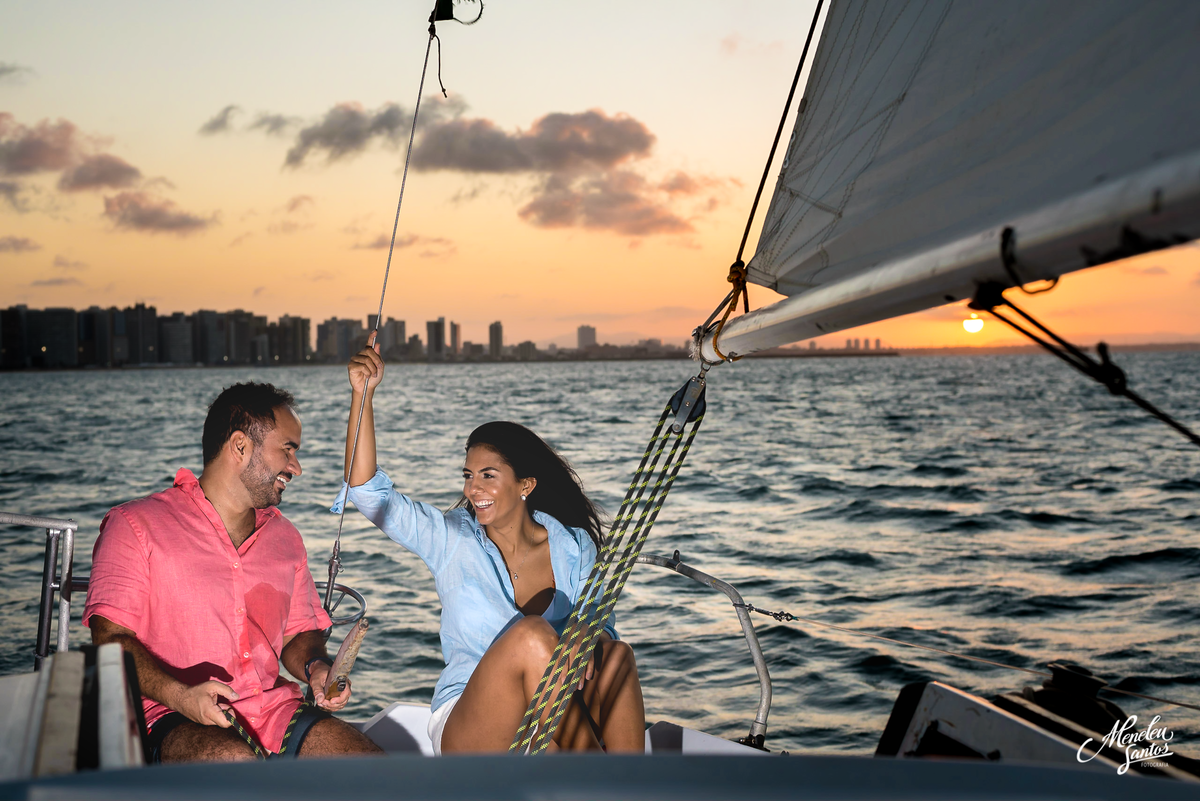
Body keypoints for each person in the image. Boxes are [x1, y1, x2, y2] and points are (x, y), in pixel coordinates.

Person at [332, 337, 645, 753]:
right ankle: (607, 784)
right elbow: (369, 493)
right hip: (472, 724)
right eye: (468, 475)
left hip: (550, 718)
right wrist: (362, 396)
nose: (472, 488)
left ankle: (629, 783)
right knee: (532, 635)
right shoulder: (451, 538)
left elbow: (602, 629)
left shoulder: (575, 546)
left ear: (526, 485)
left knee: (617, 655)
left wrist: (590, 638)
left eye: (488, 475)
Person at [85, 382, 383, 762]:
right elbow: (109, 639)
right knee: (237, 766)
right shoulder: (134, 524)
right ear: (240, 447)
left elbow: (298, 636)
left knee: (375, 770)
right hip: (165, 713)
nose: (296, 467)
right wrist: (182, 696)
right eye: (288, 450)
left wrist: (316, 667)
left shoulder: (285, 538)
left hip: (271, 712)